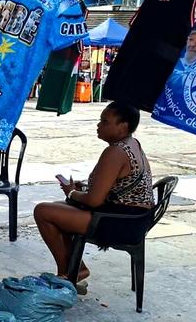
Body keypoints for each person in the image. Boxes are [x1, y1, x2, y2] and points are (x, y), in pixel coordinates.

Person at [33, 101, 154, 285]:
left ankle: (69, 272)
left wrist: (72, 192)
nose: (98, 125)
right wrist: (84, 188)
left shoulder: (116, 152)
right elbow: (114, 186)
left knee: (43, 212)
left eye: (105, 122)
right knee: (57, 209)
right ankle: (74, 269)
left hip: (122, 222)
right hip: (134, 218)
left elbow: (94, 201)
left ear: (123, 127)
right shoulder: (131, 143)